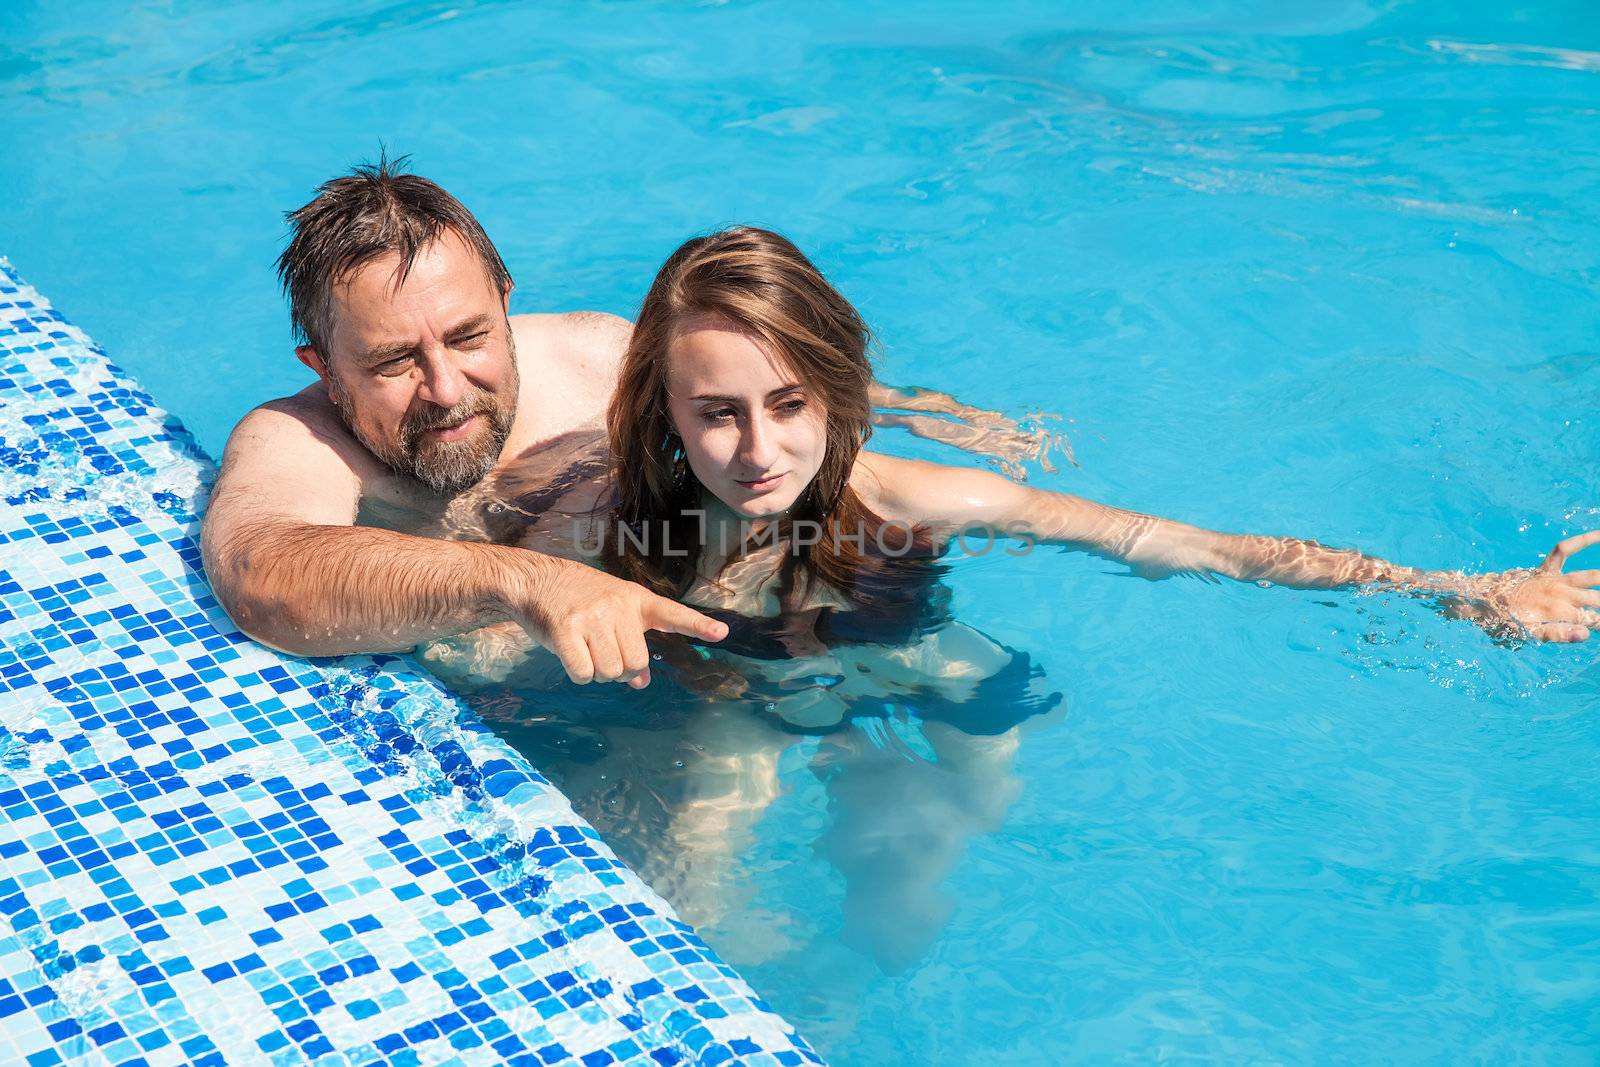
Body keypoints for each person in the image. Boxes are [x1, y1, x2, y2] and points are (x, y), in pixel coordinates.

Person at [200, 158, 1046, 686]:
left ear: (505, 300)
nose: (446, 386)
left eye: (469, 336)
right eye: (393, 362)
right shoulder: (293, 438)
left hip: (718, 631)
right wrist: (526, 582)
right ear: (323, 367)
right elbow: (264, 577)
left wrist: (918, 411)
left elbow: (757, 376)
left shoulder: (593, 355)